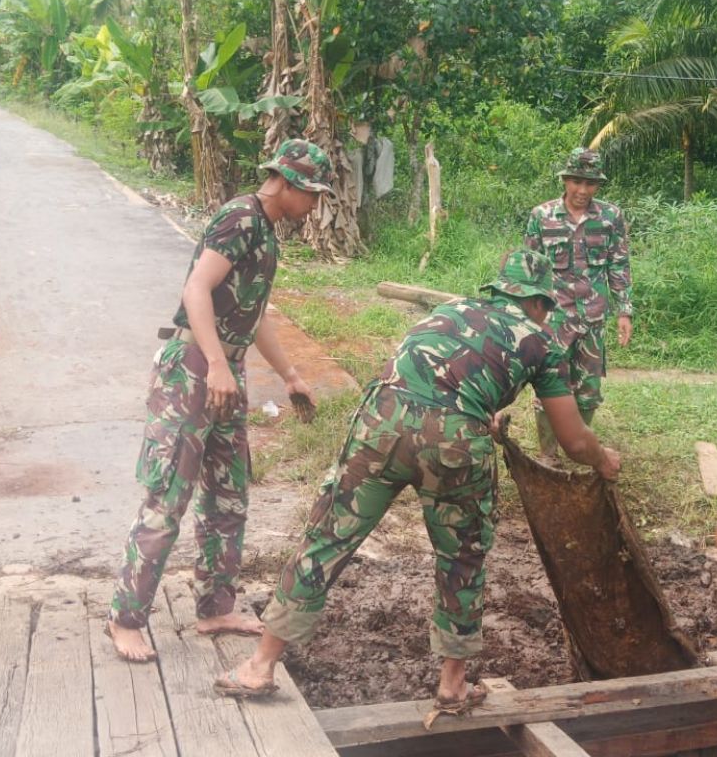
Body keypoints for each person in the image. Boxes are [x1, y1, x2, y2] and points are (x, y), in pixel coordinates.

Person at [213, 249, 621, 713]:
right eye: (545, 307)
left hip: (381, 420)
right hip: (454, 443)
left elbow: (429, 374)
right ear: (538, 302)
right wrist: (602, 459)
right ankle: (452, 685)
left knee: (327, 538)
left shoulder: (449, 310)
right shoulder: (542, 343)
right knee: (460, 556)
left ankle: (260, 666)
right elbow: (571, 438)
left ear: (498, 289)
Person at [107, 139, 335, 662]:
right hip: (193, 369)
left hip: (224, 370)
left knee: (228, 496)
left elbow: (257, 316)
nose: (315, 206)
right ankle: (125, 618)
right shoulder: (241, 218)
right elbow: (196, 289)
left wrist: (291, 374)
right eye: (313, 194)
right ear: (289, 183)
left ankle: (216, 606)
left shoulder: (267, 231)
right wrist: (213, 363)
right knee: (168, 498)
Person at [524, 147, 633, 460]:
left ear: (597, 185)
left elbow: (619, 265)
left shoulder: (611, 217)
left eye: (590, 184)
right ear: (565, 180)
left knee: (588, 393)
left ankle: (579, 451)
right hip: (553, 321)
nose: (583, 190)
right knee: (548, 389)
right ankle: (548, 455)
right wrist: (527, 316)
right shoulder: (541, 216)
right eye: (577, 182)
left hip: (593, 321)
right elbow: (530, 269)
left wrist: (624, 311)